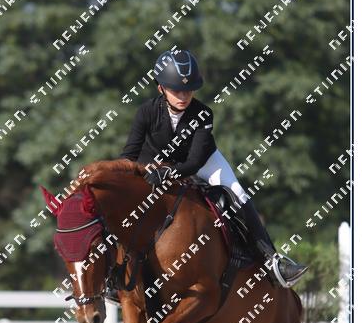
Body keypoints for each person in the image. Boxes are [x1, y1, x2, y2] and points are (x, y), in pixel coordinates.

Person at [120, 49, 308, 288]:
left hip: (203, 161)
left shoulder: (203, 113)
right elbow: (129, 154)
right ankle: (115, 273)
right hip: (156, 162)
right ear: (161, 88)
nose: (183, 96)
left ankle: (273, 261)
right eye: (176, 90)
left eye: (188, 90)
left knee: (238, 193)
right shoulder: (146, 112)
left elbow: (194, 162)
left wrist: (169, 172)